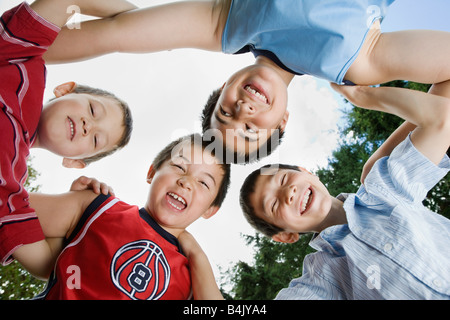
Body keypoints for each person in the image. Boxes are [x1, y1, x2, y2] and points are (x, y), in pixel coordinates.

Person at [42, 0, 450, 162]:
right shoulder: (357, 62)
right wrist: (368, 102)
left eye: (225, 114)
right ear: (283, 121)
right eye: (252, 130)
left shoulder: (226, 24)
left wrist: (15, 57)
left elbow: (113, 34)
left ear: (223, 91)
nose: (243, 112)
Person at [238, 83, 450, 299]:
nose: (288, 193)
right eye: (273, 205)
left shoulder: (383, 187)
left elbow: (442, 114)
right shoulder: (320, 280)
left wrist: (366, 94)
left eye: (284, 179)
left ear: (306, 172)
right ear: (285, 235)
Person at [0, 0, 135, 267]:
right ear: (65, 89)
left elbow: (47, 264)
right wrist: (139, 18)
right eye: (94, 110)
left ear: (75, 162)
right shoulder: (24, 62)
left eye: (96, 139)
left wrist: (80, 209)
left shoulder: (13, 190)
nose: (88, 126)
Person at [17, 133, 229, 300]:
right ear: (152, 172)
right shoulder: (98, 206)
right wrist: (69, 227)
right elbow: (10, 208)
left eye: (204, 183)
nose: (187, 181)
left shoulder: (194, 279)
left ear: (210, 209)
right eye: (179, 166)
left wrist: (198, 256)